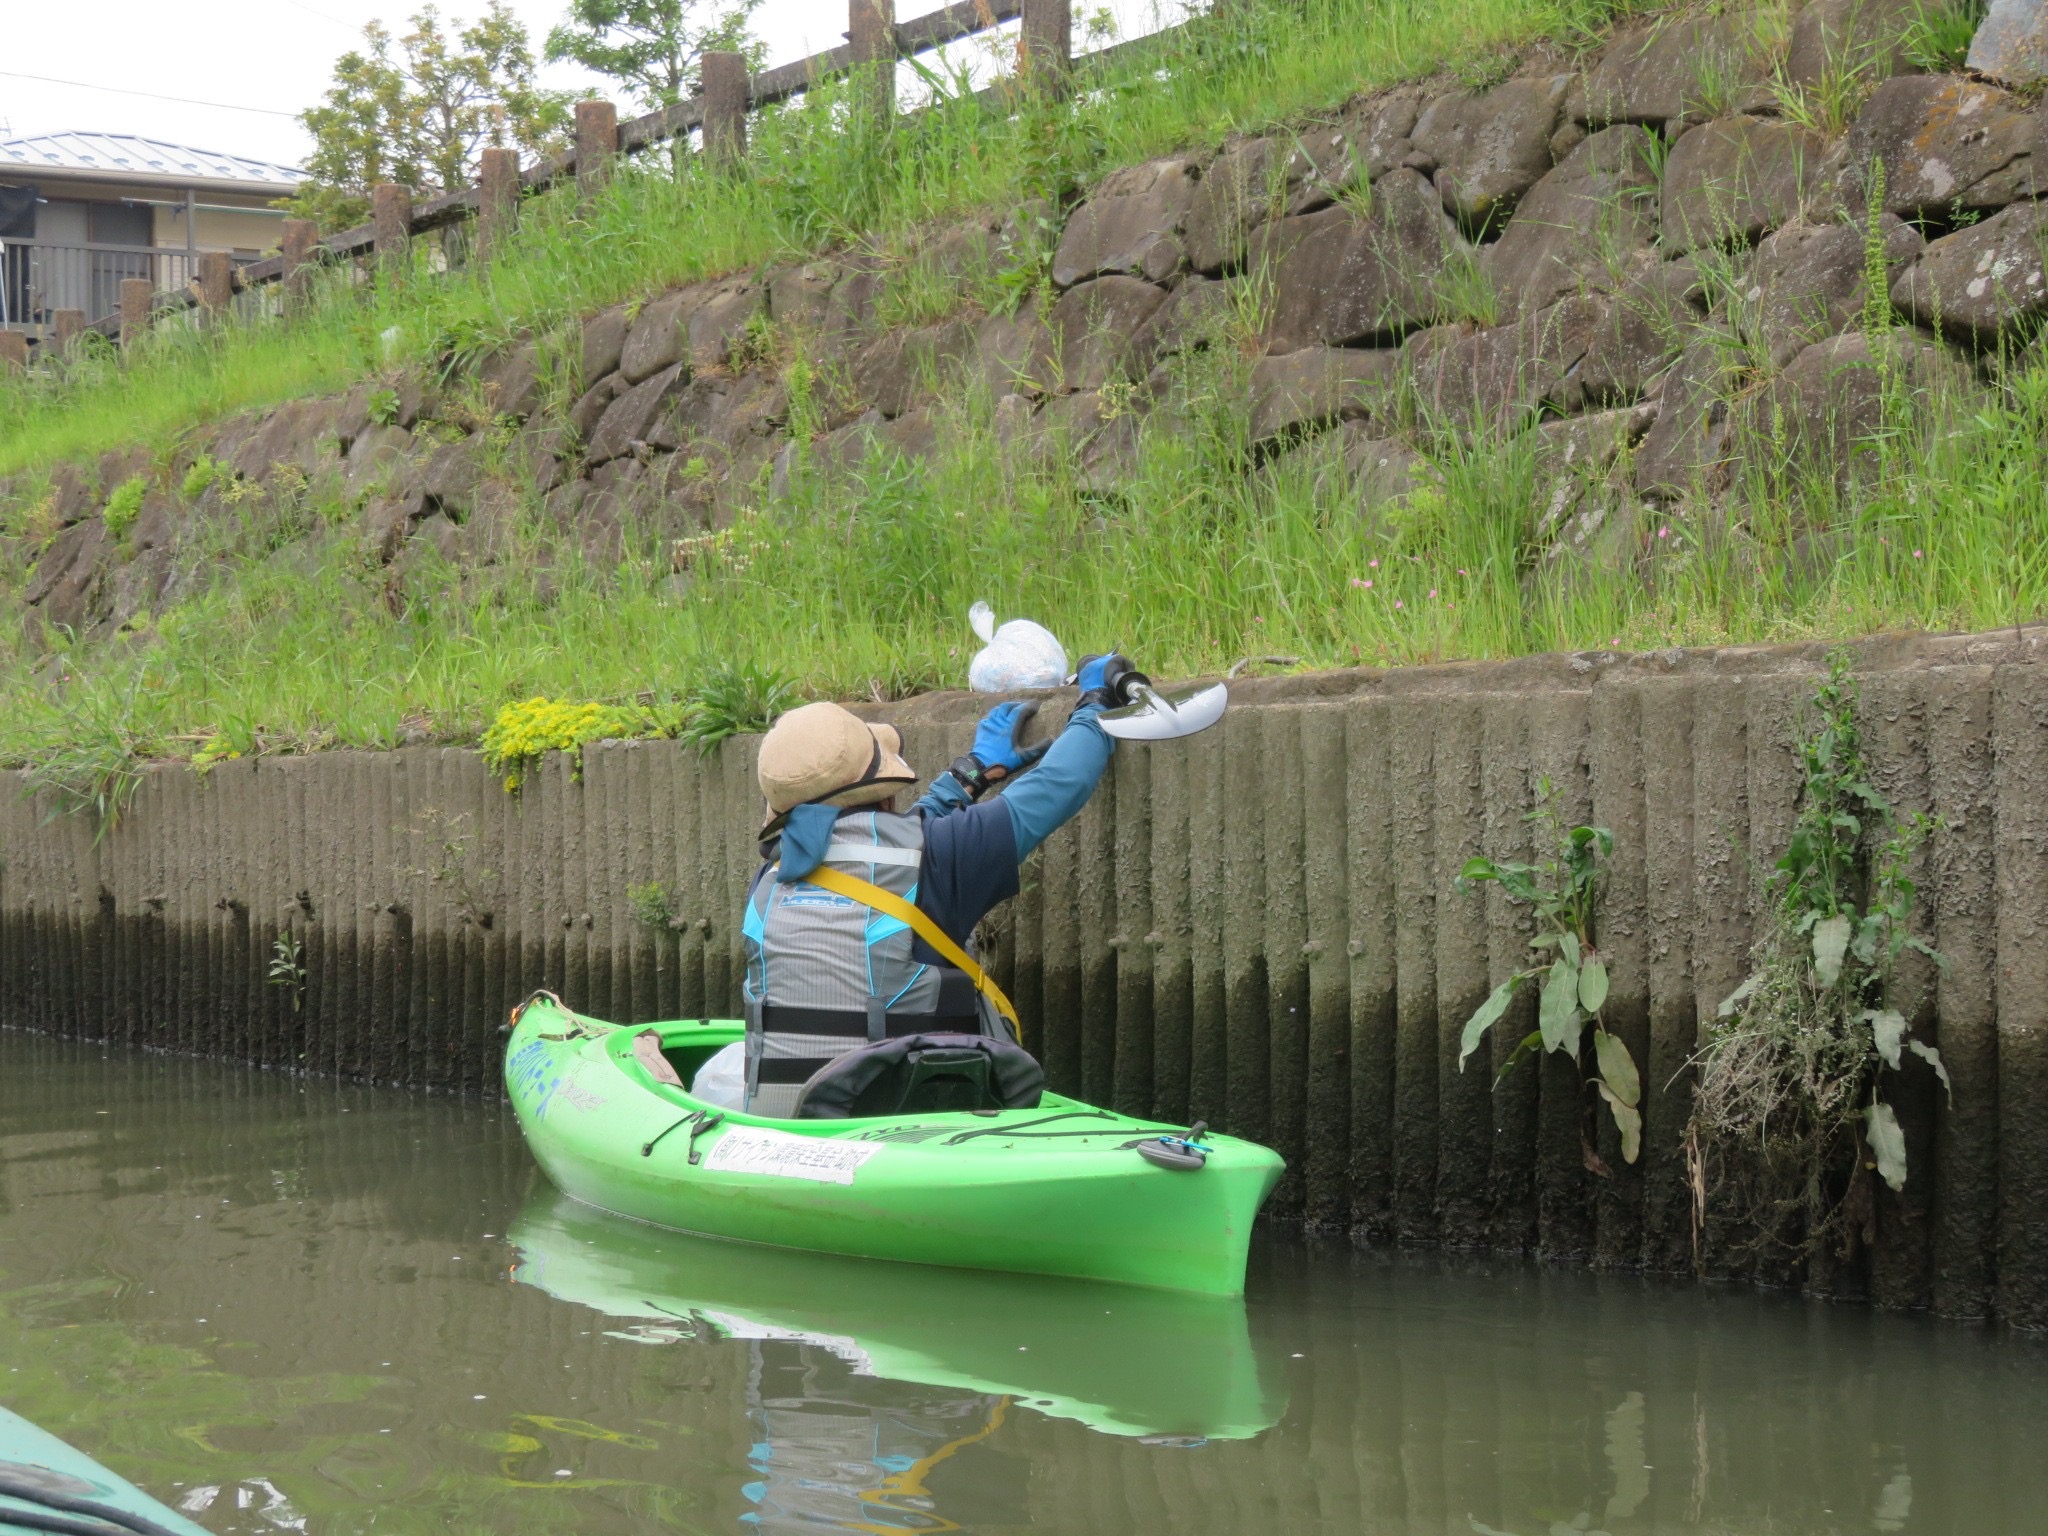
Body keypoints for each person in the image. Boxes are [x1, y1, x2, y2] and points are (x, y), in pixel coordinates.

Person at [692, 654, 1130, 1115]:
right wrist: (1095, 703)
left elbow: (891, 851)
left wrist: (971, 773)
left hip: (785, 1130)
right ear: (885, 789)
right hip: (904, 1134)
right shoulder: (942, 859)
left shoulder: (772, 879)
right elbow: (1060, 782)